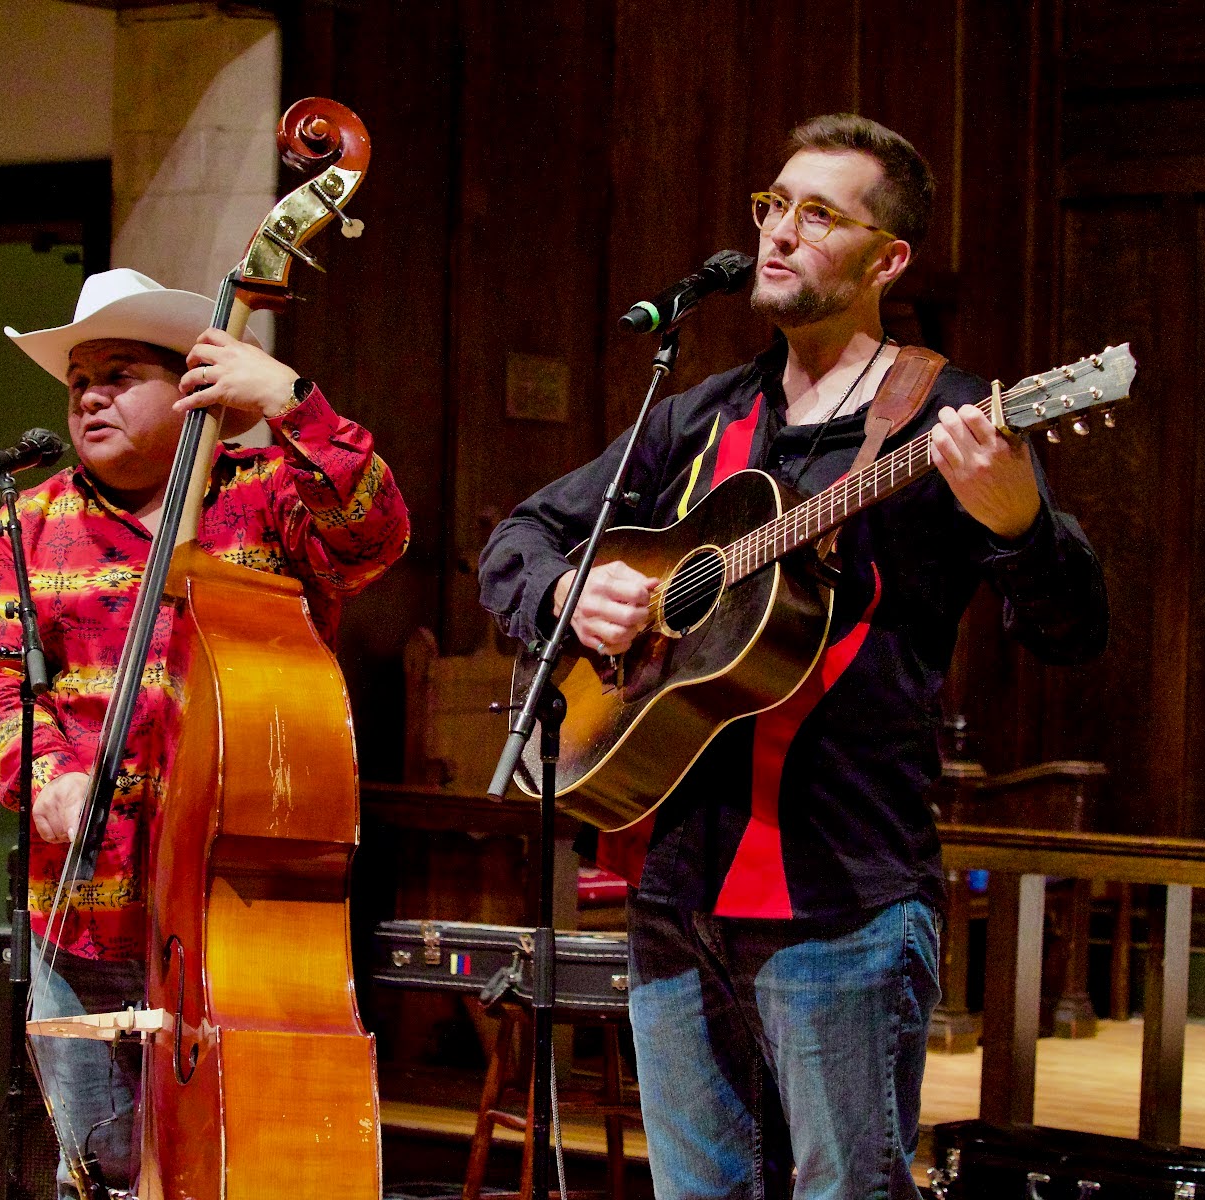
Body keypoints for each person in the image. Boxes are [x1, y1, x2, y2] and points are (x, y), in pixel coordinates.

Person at [478, 115, 1108, 1199]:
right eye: (773, 205)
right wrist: (571, 593)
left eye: (819, 214)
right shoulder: (698, 416)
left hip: (844, 903)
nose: (779, 232)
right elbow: (516, 538)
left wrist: (1016, 527)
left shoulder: (952, 418)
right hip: (677, 897)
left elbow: (1073, 630)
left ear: (886, 259)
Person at [0, 267, 409, 1197]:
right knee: (104, 1174)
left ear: (191, 383)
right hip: (81, 914)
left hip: (241, 923)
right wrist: (45, 780)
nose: (89, 396)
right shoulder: (27, 525)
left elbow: (376, 534)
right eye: (79, 380)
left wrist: (290, 402)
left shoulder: (268, 498)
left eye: (118, 373)